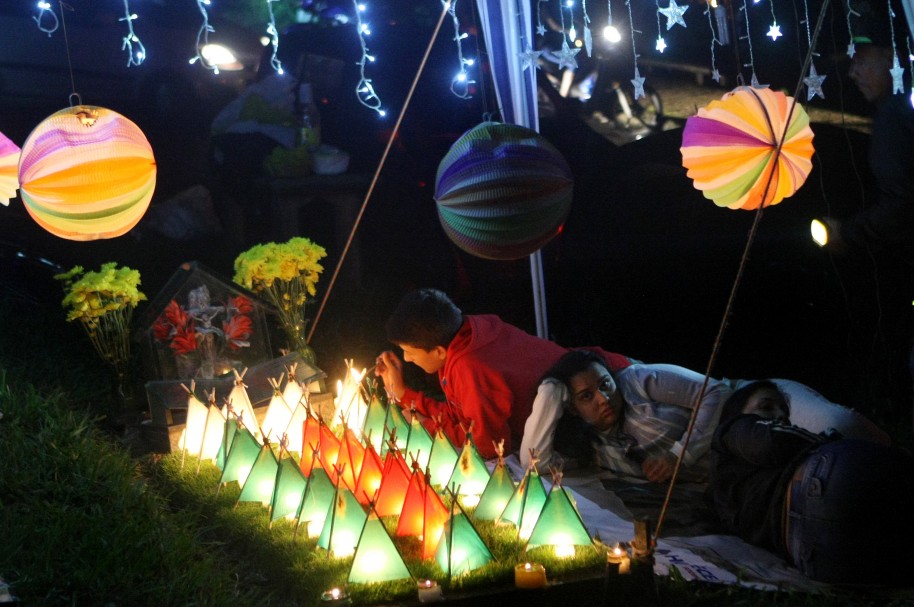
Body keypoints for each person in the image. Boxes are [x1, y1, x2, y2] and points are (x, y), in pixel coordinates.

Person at [374, 288, 633, 459]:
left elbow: (489, 447)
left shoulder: (471, 366)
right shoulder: (469, 332)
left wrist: (422, 424)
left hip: (620, 390)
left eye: (410, 351)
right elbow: (464, 418)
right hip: (607, 373)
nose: (407, 359)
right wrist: (404, 394)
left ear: (440, 351)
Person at [707, 380, 914, 585]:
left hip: (816, 555)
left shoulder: (727, 491)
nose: (781, 416)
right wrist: (827, 441)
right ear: (737, 413)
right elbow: (770, 441)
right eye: (766, 407)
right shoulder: (734, 427)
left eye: (784, 411)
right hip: (821, 487)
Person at [520, 349, 730, 482]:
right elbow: (534, 464)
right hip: (726, 474)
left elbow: (715, 392)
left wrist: (679, 455)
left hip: (738, 421)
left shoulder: (636, 381)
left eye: (605, 385)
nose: (603, 399)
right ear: (572, 408)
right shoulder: (591, 448)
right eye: (586, 396)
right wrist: (549, 393)